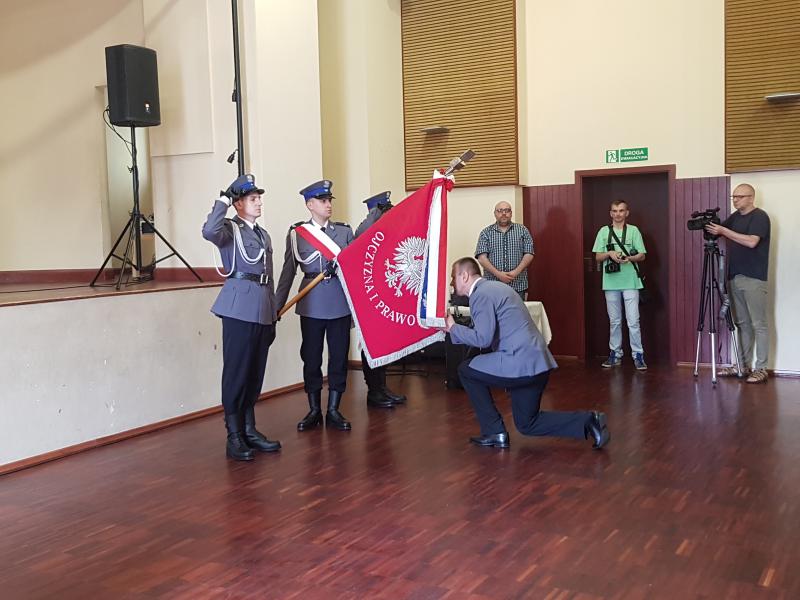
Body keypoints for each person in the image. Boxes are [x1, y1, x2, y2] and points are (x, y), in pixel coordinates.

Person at [443, 257, 610, 450]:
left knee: (465, 370)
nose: (451, 283)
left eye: (452, 277)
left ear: (464, 276)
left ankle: (494, 432)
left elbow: (483, 339)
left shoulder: (480, 295)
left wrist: (453, 328)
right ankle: (590, 421)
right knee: (527, 424)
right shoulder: (497, 288)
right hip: (538, 363)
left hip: (518, 363)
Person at [202, 174, 281, 461]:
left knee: (254, 372)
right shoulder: (228, 230)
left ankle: (249, 429)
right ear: (238, 204)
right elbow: (208, 230)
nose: (259, 202)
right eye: (252, 198)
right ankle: (234, 434)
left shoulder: (262, 234)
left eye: (259, 198)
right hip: (237, 309)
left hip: (261, 309)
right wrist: (223, 198)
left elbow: (268, 276)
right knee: (236, 372)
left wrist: (272, 313)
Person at [275, 179, 355, 430]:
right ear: (310, 205)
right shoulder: (297, 234)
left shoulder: (344, 232)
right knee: (311, 357)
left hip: (339, 302)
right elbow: (288, 272)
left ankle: (333, 409)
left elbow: (354, 271)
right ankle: (313, 410)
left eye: (329, 200)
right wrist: (277, 306)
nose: (328, 204)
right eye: (322, 201)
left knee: (339, 357)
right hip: (310, 303)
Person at [706, 183, 771, 383]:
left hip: (753, 277)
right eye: (733, 196)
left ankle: (761, 368)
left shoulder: (760, 216)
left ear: (751, 198)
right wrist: (709, 225)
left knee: (758, 324)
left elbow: (752, 241)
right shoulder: (735, 217)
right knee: (742, 323)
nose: (735, 200)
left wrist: (724, 231)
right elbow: (717, 231)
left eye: (739, 197)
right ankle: (742, 365)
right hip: (735, 276)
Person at [354, 191, 408, 409]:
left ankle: (381, 387)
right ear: (376, 211)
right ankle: (374, 390)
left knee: (381, 344)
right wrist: (374, 215)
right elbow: (362, 240)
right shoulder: (365, 230)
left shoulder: (384, 232)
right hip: (368, 299)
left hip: (382, 297)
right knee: (370, 345)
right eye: (385, 211)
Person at [592, 199, 648, 371]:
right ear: (611, 213)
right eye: (615, 211)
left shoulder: (633, 231)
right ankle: (615, 354)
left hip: (631, 281)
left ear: (626, 213)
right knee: (614, 321)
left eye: (621, 210)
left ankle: (638, 355)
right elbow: (597, 256)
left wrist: (628, 258)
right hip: (611, 282)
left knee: (633, 321)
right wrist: (610, 253)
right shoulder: (603, 231)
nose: (618, 214)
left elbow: (642, 255)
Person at [475, 201, 534, 301]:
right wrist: (498, 274)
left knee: (517, 315)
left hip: (518, 285)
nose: (503, 213)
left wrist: (515, 272)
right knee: (493, 315)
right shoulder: (486, 233)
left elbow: (529, 253)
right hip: (492, 285)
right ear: (495, 213)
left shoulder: (522, 230)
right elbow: (481, 258)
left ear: (511, 213)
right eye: (500, 211)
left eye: (507, 210)